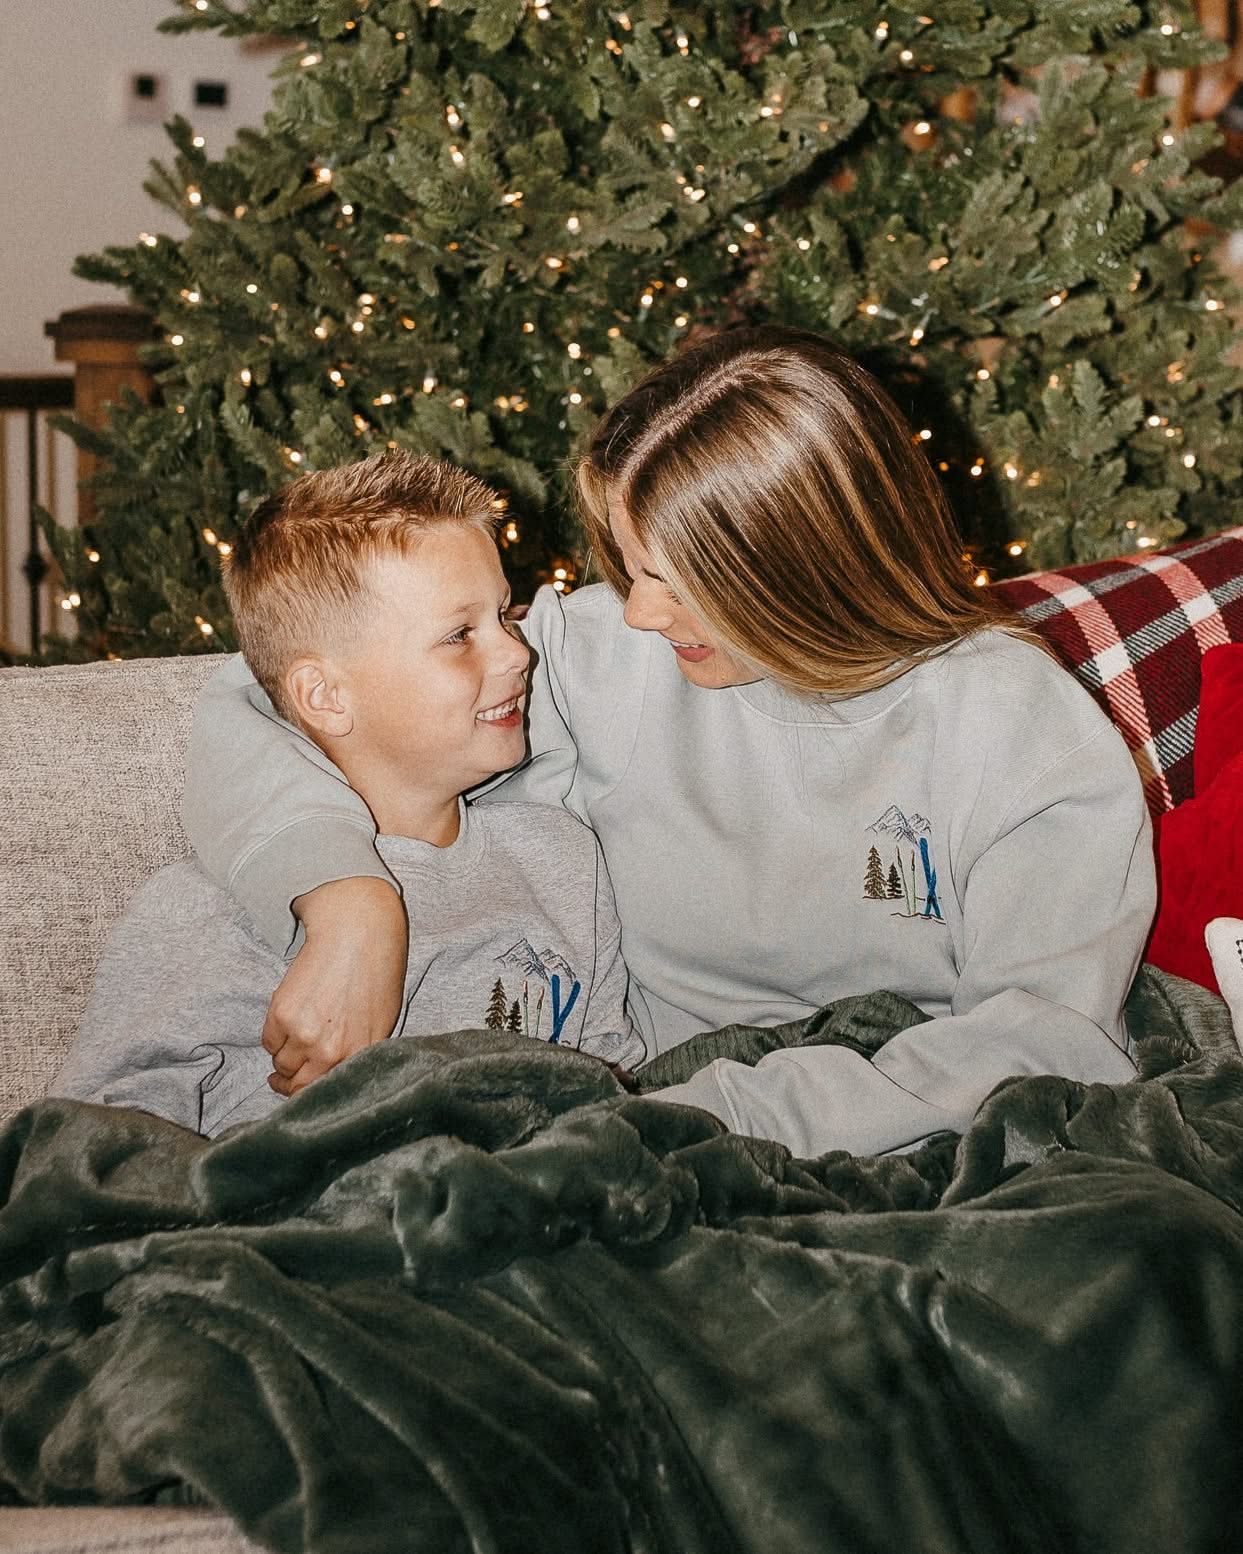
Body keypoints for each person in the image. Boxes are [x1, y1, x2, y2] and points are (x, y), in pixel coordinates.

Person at [179, 326, 1156, 1157]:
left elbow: (1048, 1036)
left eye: (675, 578)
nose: (639, 612)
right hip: (645, 1133)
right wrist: (349, 905)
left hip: (868, 1140)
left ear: (802, 564)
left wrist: (709, 1120)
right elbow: (256, 697)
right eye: (629, 566)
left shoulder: (1008, 716)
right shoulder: (603, 663)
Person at [52, 452, 641, 1136]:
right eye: (459, 636)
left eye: (504, 617)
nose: (516, 654)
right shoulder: (210, 911)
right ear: (325, 697)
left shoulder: (560, 859)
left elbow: (613, 1085)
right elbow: (91, 1145)